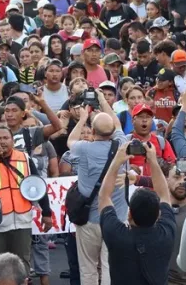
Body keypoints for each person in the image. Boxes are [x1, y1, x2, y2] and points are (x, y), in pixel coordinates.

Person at [0, 126, 53, 271]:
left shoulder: (24, 158)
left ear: (13, 141)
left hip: (21, 222)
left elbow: (38, 185)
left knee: (22, 264)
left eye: (6, 138)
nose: (2, 142)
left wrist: (47, 213)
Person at [98, 137, 176, 284]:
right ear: (158, 214)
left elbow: (103, 196)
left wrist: (116, 162)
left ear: (129, 214)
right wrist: (153, 160)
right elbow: (164, 194)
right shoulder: (166, 234)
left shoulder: (116, 235)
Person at [66, 104, 127, 285]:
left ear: (92, 130)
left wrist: (83, 118)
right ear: (113, 132)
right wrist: (102, 100)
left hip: (89, 220)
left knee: (88, 268)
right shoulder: (122, 146)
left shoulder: (83, 148)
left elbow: (70, 140)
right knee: (111, 266)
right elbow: (116, 123)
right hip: (116, 219)